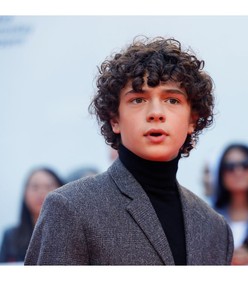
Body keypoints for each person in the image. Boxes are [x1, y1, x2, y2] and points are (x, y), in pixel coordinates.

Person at [25, 36, 234, 265]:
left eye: (172, 100)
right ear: (115, 119)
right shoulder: (69, 208)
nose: (156, 113)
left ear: (192, 120)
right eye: (138, 100)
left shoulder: (215, 228)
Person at [0, 167, 64, 263]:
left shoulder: (73, 234)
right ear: (25, 193)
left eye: (49, 187)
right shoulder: (11, 236)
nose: (42, 192)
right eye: (35, 187)